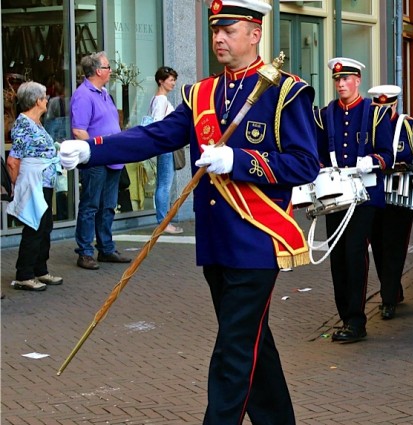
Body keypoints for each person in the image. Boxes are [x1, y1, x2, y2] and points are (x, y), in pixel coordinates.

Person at [59, 0, 320, 421]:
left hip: (258, 239)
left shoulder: (285, 92)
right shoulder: (201, 94)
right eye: (215, 30)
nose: (219, 38)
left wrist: (239, 160)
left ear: (255, 34)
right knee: (251, 342)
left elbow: (305, 164)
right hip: (216, 242)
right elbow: (155, 136)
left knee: (233, 350)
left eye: (228, 30)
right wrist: (93, 149)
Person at [314, 57, 394, 343]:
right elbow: (318, 153)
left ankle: (357, 321)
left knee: (355, 254)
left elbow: (388, 155)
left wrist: (372, 160)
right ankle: (346, 317)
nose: (341, 84)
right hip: (335, 194)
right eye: (337, 79)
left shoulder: (375, 114)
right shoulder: (325, 114)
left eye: (346, 78)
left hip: (364, 196)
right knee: (338, 257)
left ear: (358, 80)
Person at [71, 51, 130, 270]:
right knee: (90, 206)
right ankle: (85, 252)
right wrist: (96, 152)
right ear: (98, 71)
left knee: (108, 206)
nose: (110, 70)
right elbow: (79, 131)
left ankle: (106, 248)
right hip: (96, 160)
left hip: (113, 158)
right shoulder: (83, 95)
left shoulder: (104, 93)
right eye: (107, 67)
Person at [7, 81, 64, 291]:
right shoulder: (24, 124)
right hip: (34, 183)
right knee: (35, 228)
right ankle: (24, 274)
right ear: (37, 100)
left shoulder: (36, 122)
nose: (47, 99)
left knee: (45, 226)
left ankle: (40, 270)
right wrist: (18, 185)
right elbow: (13, 160)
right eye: (44, 96)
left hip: (44, 182)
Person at [368, 84, 413, 320]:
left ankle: (388, 299)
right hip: (375, 194)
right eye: (378, 108)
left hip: (400, 196)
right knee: (378, 246)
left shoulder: (408, 126)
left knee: (394, 247)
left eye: (387, 108)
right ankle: (393, 289)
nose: (383, 112)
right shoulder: (368, 125)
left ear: (395, 104)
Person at [146, 66, 183, 234]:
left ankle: (163, 221)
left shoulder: (156, 99)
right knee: (164, 185)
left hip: (163, 146)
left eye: (174, 80)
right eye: (171, 80)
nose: (173, 83)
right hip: (166, 146)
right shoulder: (161, 100)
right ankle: (163, 222)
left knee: (162, 184)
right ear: (161, 81)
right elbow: (158, 123)